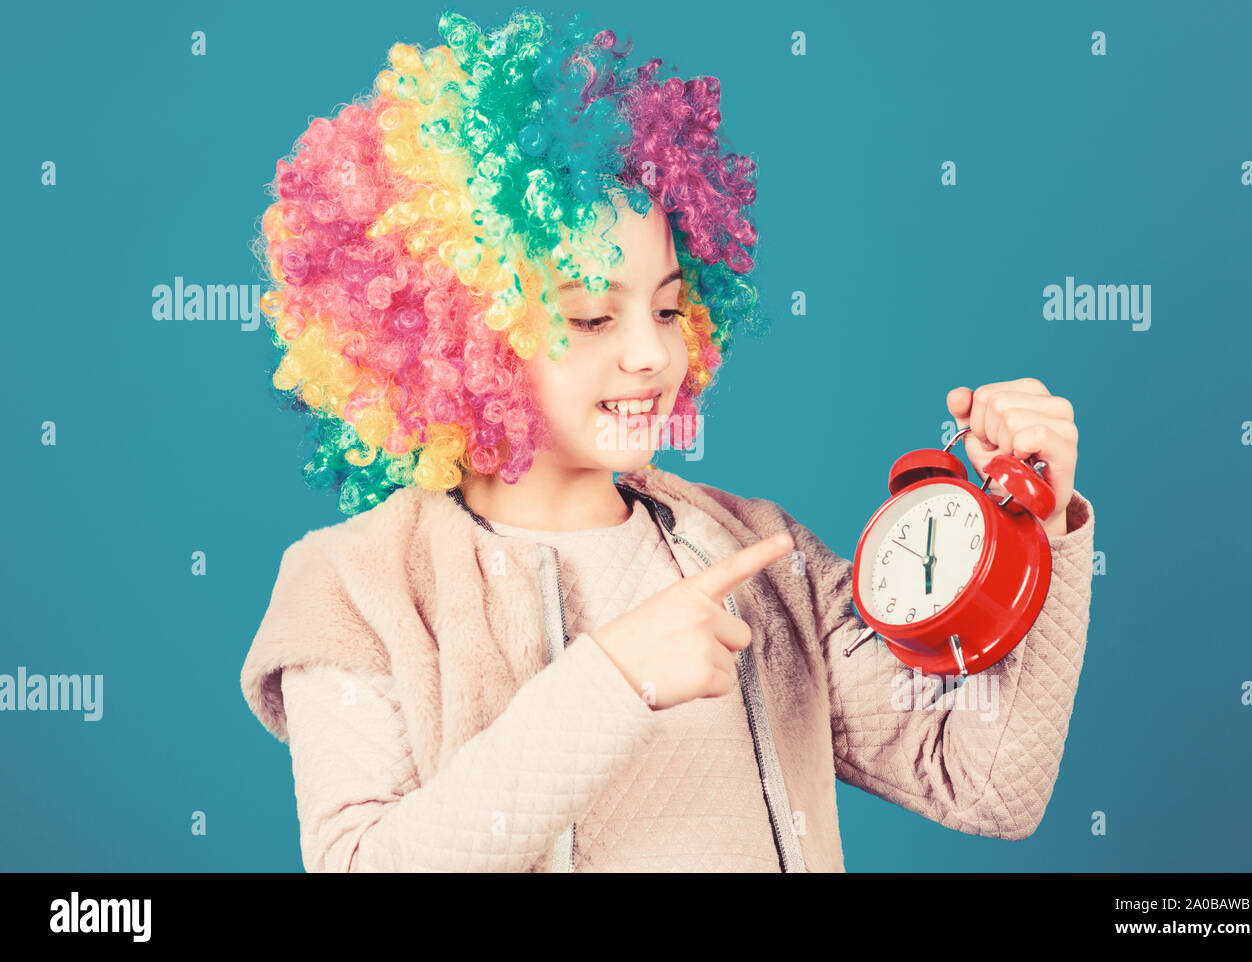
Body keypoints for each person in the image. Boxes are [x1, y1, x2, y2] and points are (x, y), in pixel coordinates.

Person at [240, 9, 1096, 872]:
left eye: (665, 307)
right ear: (461, 333)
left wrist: (1040, 528)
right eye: (591, 315)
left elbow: (986, 785)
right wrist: (610, 684)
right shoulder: (357, 586)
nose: (651, 354)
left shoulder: (758, 557)